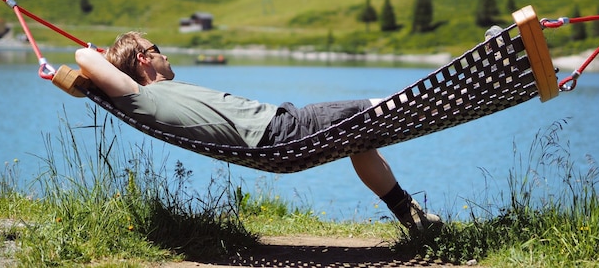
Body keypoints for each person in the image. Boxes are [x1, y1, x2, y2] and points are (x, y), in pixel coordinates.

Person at [75, 31, 442, 234]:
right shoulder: (144, 99)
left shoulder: (147, 98)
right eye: (157, 49)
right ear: (143, 59)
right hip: (283, 130)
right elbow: (82, 58)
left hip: (279, 132)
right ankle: (450, 93)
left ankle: (412, 219)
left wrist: (111, 59)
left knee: (363, 137)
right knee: (377, 107)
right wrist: (102, 53)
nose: (165, 55)